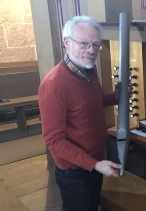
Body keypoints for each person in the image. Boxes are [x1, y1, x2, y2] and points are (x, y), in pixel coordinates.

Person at [38, 15, 127, 211]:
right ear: (67, 43)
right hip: (74, 172)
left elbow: (89, 103)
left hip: (94, 162)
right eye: (84, 44)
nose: (91, 50)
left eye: (96, 45)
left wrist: (115, 96)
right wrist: (94, 164)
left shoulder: (89, 70)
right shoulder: (54, 85)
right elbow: (54, 141)